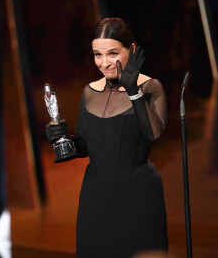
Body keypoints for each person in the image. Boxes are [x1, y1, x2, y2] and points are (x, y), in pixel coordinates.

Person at [46, 18, 168, 258]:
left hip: (137, 195)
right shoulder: (90, 91)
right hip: (95, 195)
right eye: (97, 54)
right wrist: (61, 139)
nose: (104, 63)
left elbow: (153, 132)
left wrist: (133, 91)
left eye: (112, 53)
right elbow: (84, 146)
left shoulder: (151, 87)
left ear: (131, 50)